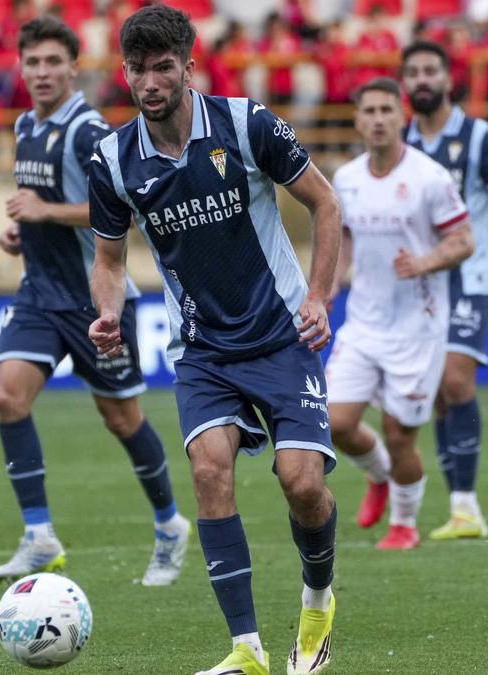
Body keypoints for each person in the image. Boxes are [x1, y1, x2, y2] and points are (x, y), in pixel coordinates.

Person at [88, 6, 341, 674]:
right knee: (207, 467)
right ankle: (247, 649)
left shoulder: (246, 123)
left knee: (302, 483)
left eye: (163, 67)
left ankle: (318, 600)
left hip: (283, 334)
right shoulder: (113, 160)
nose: (150, 81)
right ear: (125, 71)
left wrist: (319, 293)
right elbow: (109, 263)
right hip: (202, 350)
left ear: (187, 66)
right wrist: (107, 313)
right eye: (138, 69)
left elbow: (326, 203)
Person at [0, 16, 191, 588]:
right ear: (22, 68)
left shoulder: (88, 131)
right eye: (33, 62)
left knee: (122, 417)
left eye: (54, 61)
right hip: (39, 293)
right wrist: (21, 234)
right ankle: (38, 535)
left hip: (95, 298)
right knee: (8, 397)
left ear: (74, 67)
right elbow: (41, 206)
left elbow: (121, 210)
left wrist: (43, 214)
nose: (43, 72)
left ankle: (169, 523)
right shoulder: (27, 125)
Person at [327, 77, 475, 551]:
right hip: (365, 322)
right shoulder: (347, 179)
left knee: (399, 432)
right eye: (368, 111)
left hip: (418, 327)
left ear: (401, 116)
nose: (377, 119)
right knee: (334, 422)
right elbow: (344, 237)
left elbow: (464, 240)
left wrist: (425, 262)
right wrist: (329, 286)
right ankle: (379, 478)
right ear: (357, 119)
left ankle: (404, 524)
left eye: (386, 111)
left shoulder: (430, 178)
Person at [399, 40, 488, 540]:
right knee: (434, 390)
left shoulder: (480, 138)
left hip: (472, 276)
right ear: (405, 82)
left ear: (449, 77)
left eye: (431, 70)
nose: (422, 80)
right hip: (422, 282)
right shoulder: (402, 140)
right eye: (413, 73)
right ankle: (459, 508)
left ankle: (468, 504)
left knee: (455, 380)